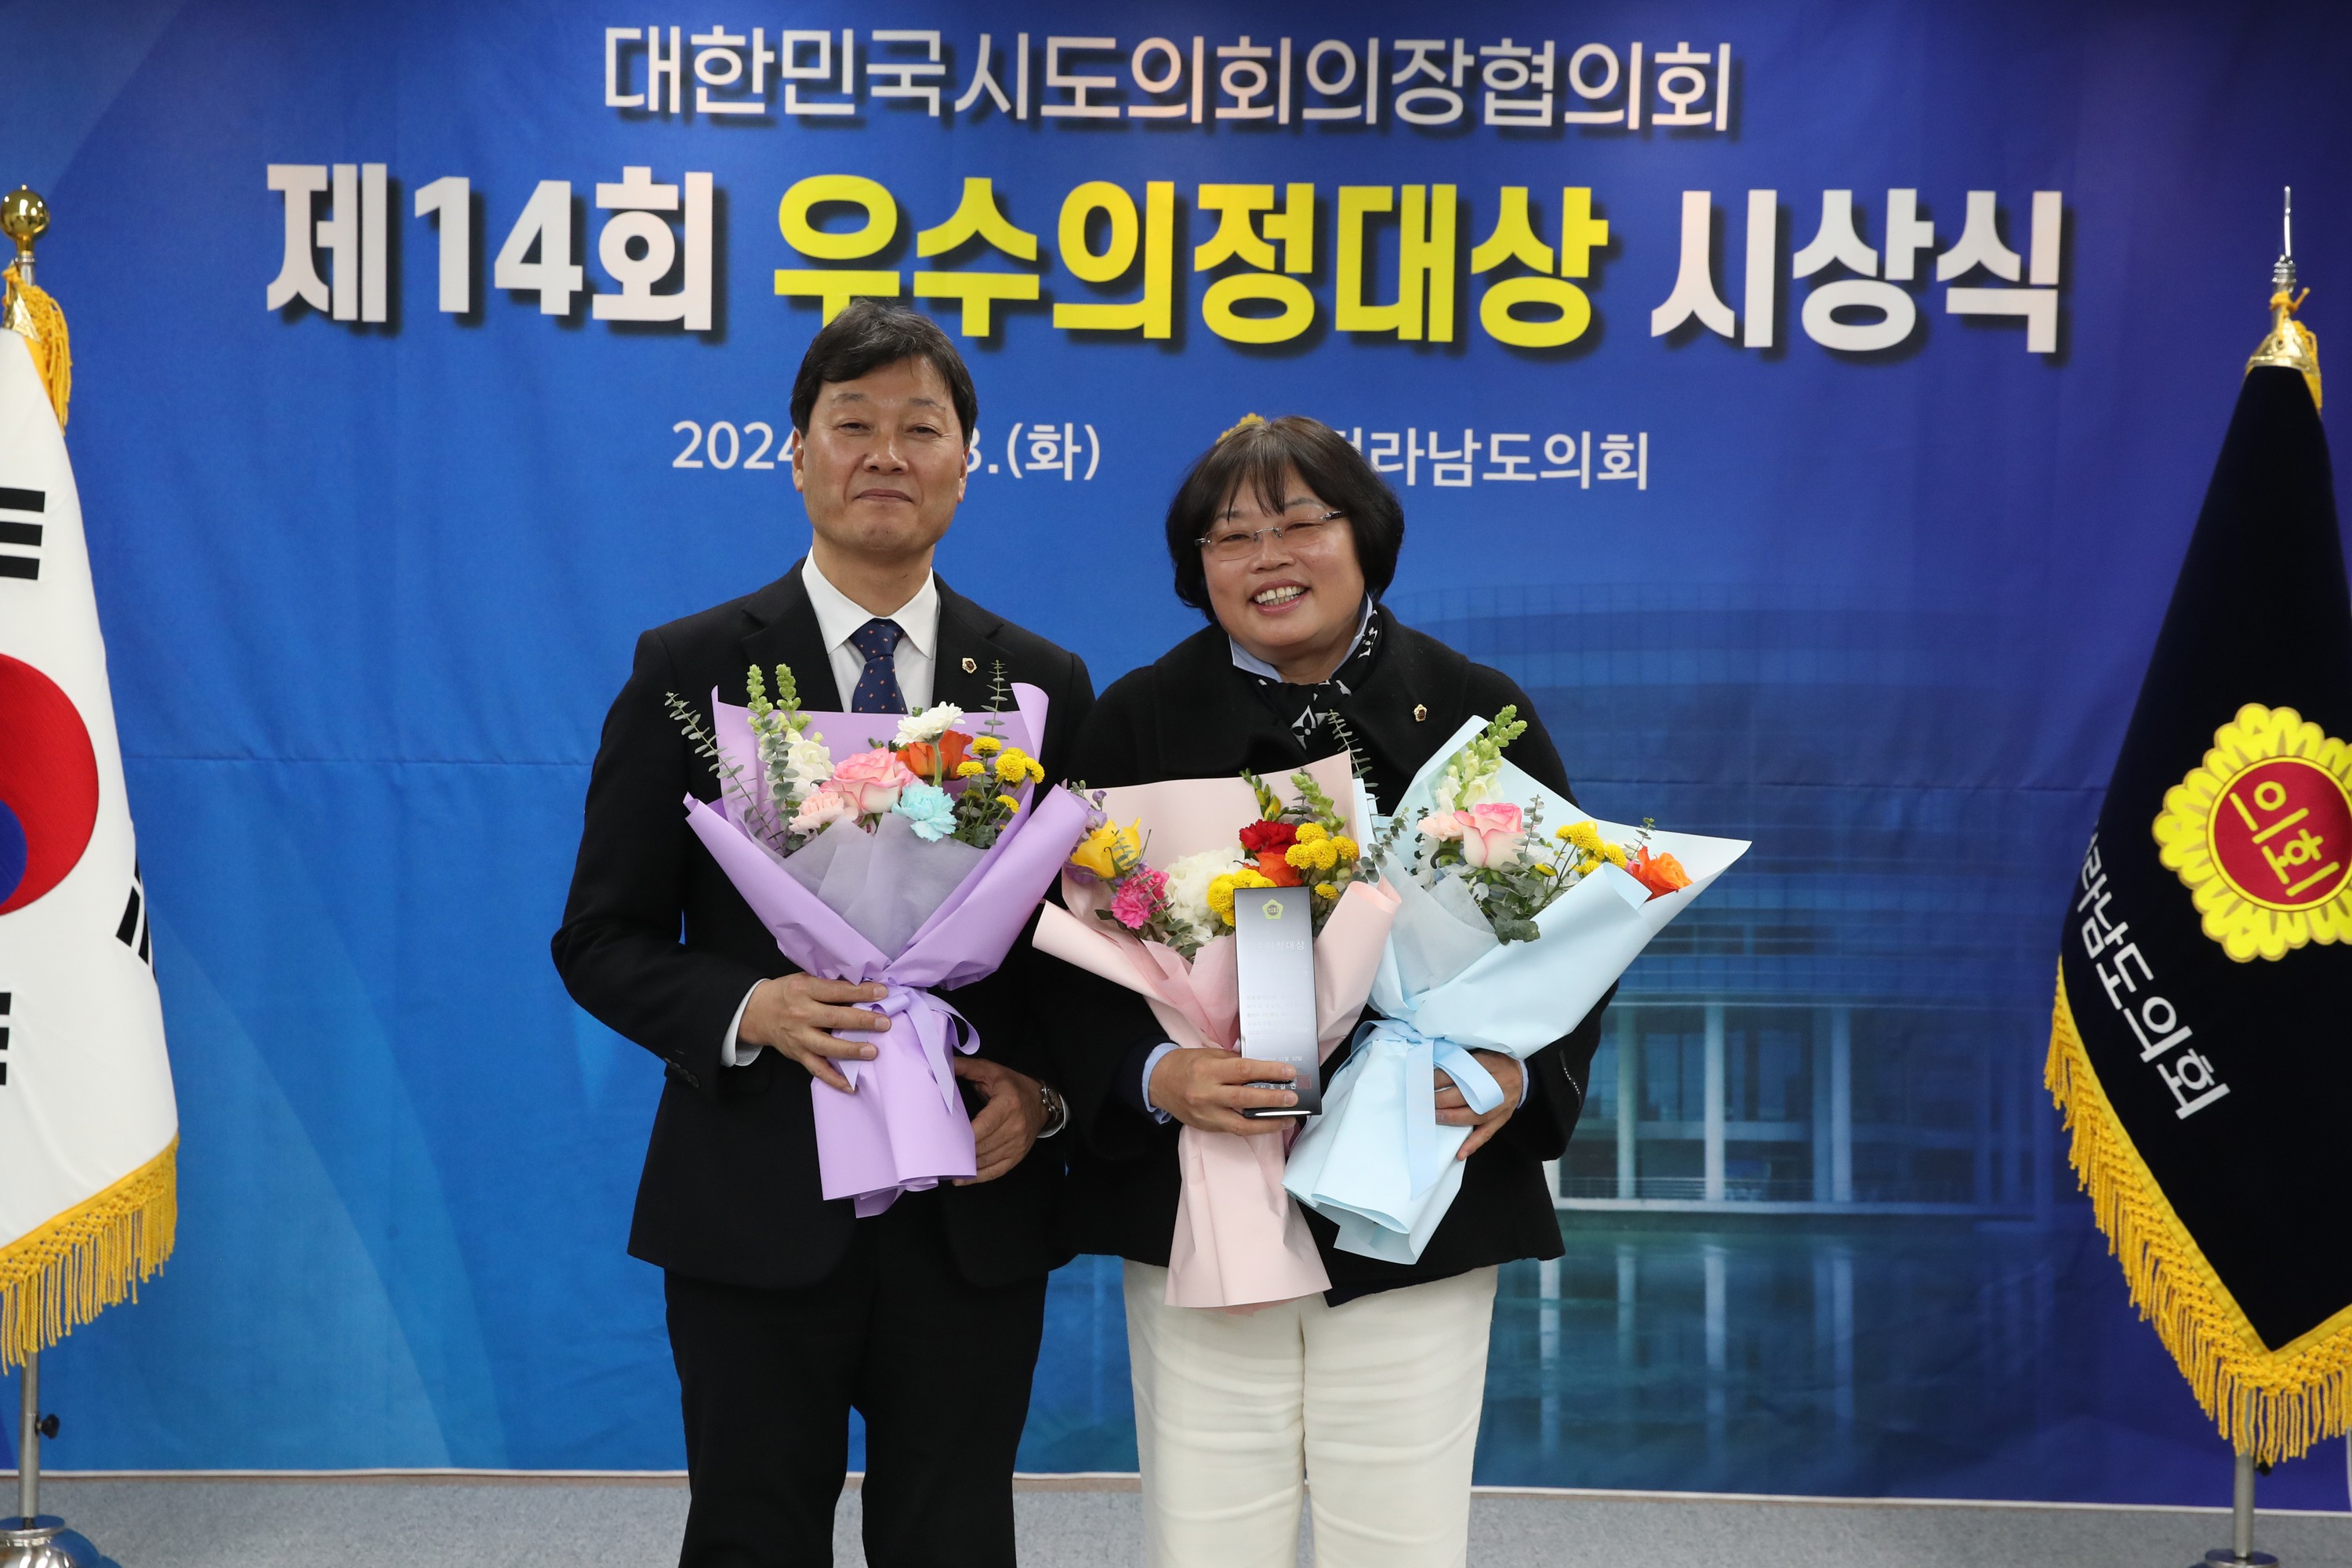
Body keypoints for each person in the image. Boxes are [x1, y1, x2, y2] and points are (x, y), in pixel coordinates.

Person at [551, 301, 1091, 1568]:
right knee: (752, 1534)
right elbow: (602, 936)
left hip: (969, 1208)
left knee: (955, 1539)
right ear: (796, 454)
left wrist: (1046, 1095)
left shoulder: (1040, 684)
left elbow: (1083, 951)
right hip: (755, 1194)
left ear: (967, 462)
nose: (886, 455)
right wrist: (750, 1008)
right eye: (853, 425)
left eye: (922, 428)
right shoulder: (690, 670)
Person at [1045, 415, 1607, 1567]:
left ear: (1366, 538)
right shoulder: (1137, 718)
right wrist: (1154, 1074)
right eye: (1230, 536)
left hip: (1418, 1191)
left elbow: (1573, 933)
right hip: (1201, 1194)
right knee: (1204, 1540)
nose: (1268, 558)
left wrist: (1513, 1073)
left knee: (1400, 1540)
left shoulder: (1469, 708)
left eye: (1300, 522)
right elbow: (1058, 957)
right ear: (1198, 567)